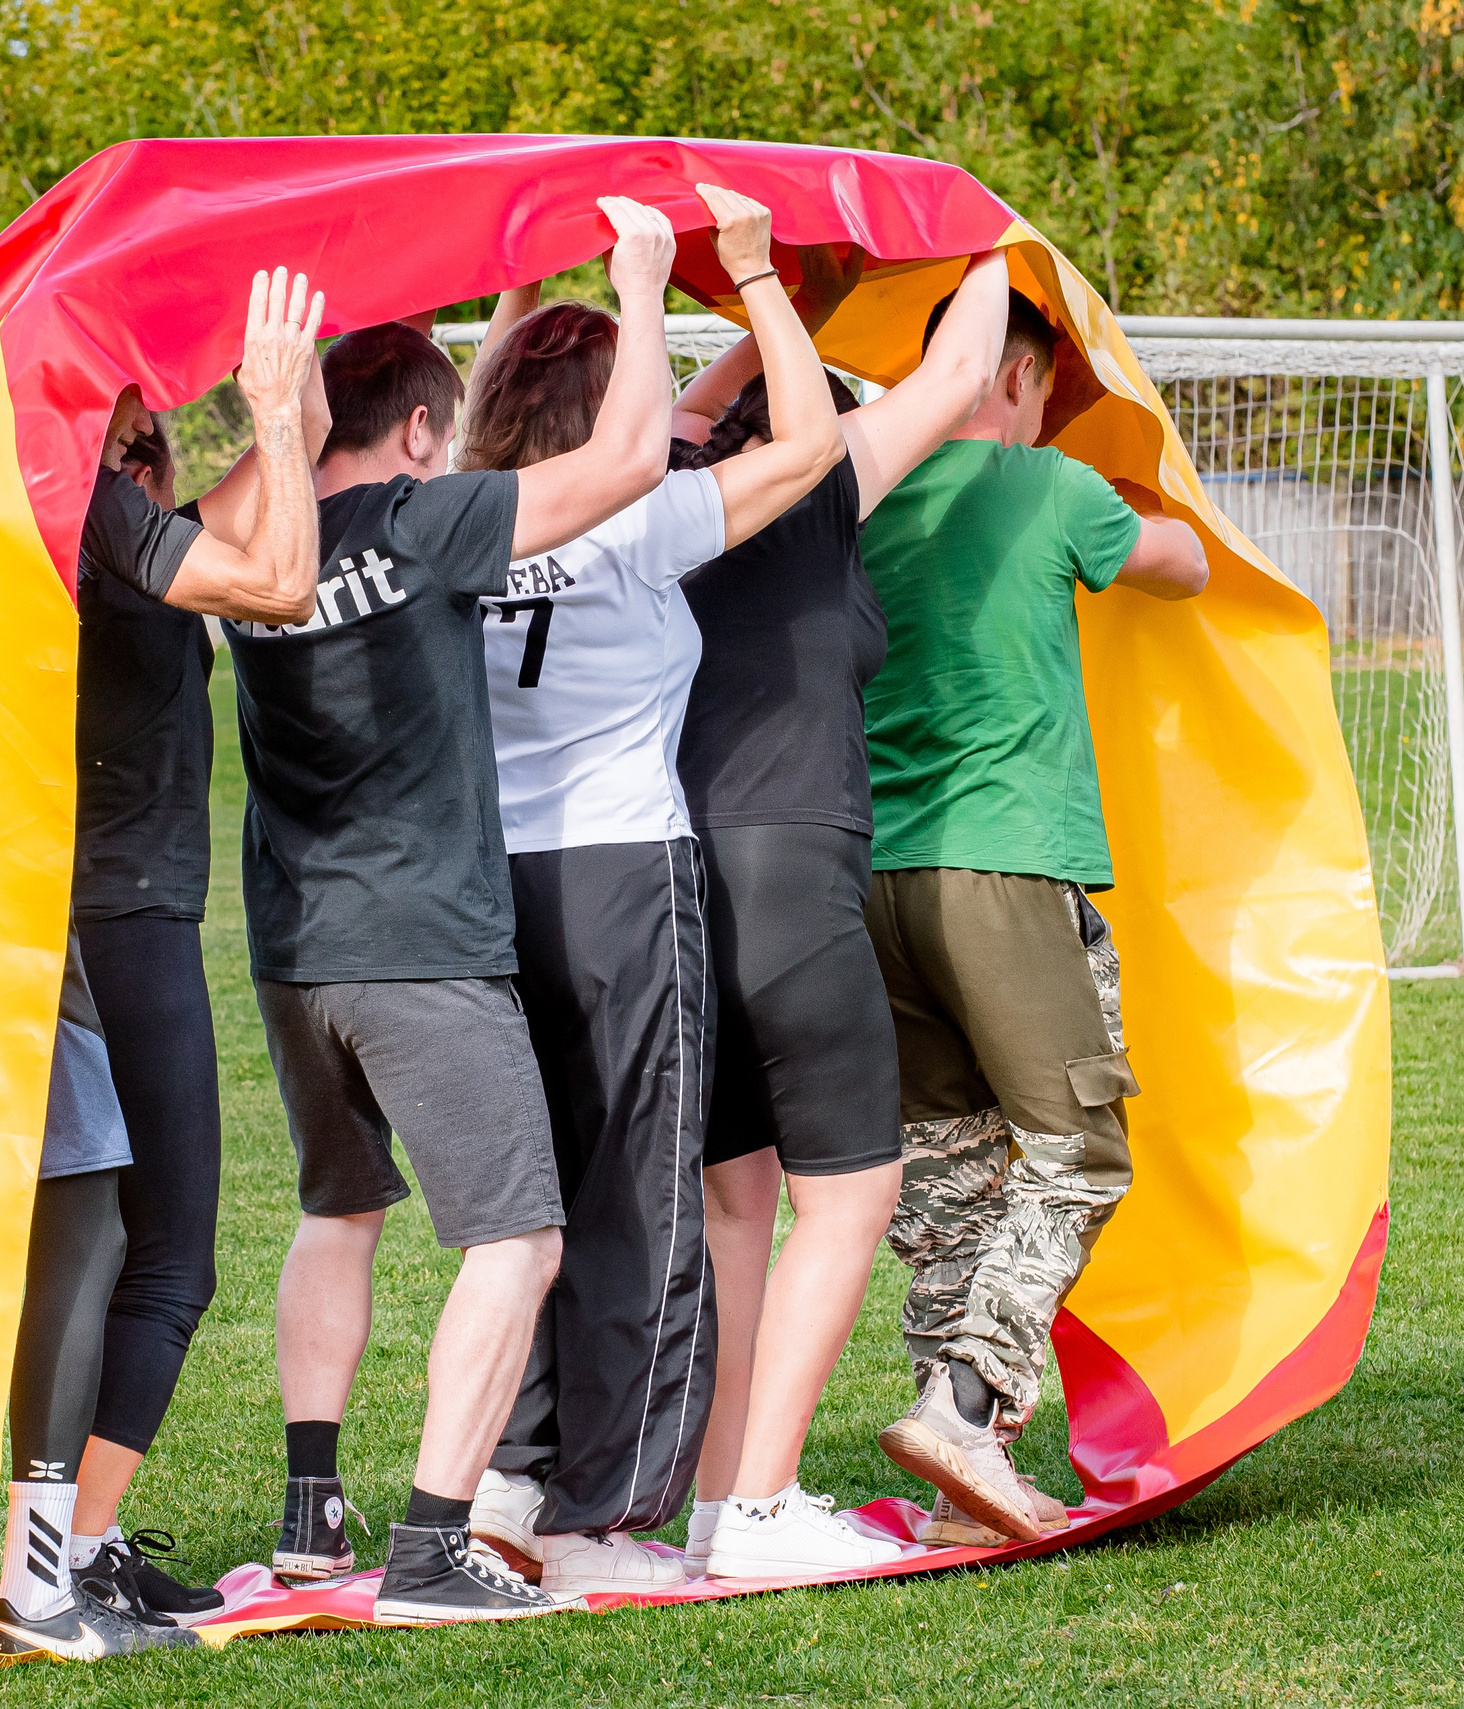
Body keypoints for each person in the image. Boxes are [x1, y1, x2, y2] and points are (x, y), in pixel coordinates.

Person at [200, 197, 683, 1627]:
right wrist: (641, 286)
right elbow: (633, 456)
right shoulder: (423, 522)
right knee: (517, 1240)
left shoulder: (242, 541)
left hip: (295, 952)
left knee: (340, 1208)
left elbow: (284, 468)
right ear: (423, 433)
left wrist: (278, 405)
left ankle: (309, 1515)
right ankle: (431, 1544)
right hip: (421, 948)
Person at [452, 185, 847, 1597]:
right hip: (626, 878)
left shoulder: (457, 518)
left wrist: (521, 288)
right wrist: (746, 281)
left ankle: (508, 1471)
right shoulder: (635, 523)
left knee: (533, 1190)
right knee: (645, 1196)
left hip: (492, 892)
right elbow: (804, 444)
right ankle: (604, 1505)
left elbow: (506, 400)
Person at [0, 266, 330, 1662]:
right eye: (135, 401)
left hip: (120, 912)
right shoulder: (91, 513)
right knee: (148, 1249)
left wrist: (290, 400)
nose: (154, 420)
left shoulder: (120, 521)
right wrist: (285, 426)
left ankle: (83, 1547)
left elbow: (233, 523)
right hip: (113, 921)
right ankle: (43, 1570)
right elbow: (283, 581)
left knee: (139, 1248)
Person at [650, 247, 1015, 1577]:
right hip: (791, 871)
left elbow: (697, 404)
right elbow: (966, 365)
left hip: (681, 879)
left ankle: (714, 1507)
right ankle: (758, 1510)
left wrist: (774, 308)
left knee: (739, 1205)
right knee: (851, 1197)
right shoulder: (820, 482)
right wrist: (994, 242)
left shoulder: (670, 490)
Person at [859, 287, 1209, 1547]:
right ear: (1009, 374)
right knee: (1078, 1150)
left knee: (950, 1174)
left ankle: (958, 1472)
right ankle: (967, 1403)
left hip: (872, 877)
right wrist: (1137, 478)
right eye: (1049, 387)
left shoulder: (863, 494)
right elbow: (1188, 568)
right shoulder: (1049, 488)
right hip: (1001, 865)